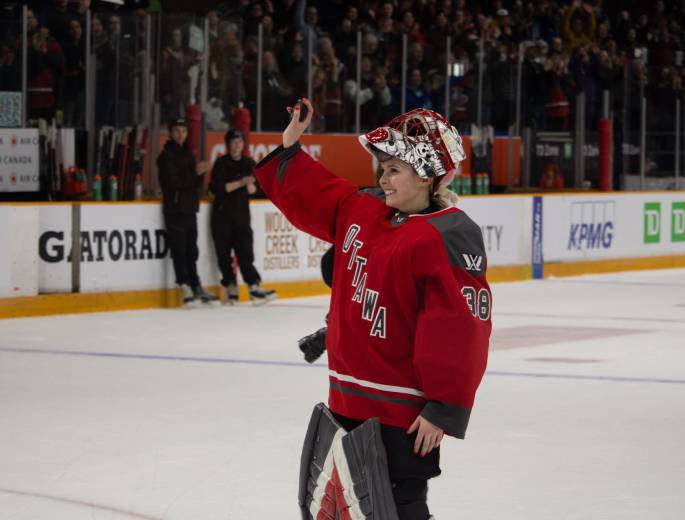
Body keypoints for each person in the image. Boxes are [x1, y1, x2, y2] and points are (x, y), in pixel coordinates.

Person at [254, 99, 492, 519]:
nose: (383, 178)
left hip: (403, 416)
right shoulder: (362, 210)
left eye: (394, 169)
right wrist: (291, 146)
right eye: (381, 168)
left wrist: (443, 407)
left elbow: (459, 330)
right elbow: (316, 196)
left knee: (401, 508)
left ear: (427, 176)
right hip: (346, 400)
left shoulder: (448, 234)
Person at [208, 128, 277, 305]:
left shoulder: (249, 164)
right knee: (223, 254)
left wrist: (250, 186)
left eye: (240, 142)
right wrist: (241, 182)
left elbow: (255, 191)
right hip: (222, 216)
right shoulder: (221, 164)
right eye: (234, 142)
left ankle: (253, 285)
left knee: (245, 252)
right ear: (228, 144)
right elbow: (218, 188)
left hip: (241, 216)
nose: (237, 145)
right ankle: (230, 284)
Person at [157, 118, 218, 307]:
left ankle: (195, 284)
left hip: (190, 208)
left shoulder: (188, 154)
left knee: (192, 250)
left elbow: (192, 183)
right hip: (175, 210)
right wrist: (196, 173)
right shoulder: (166, 156)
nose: (180, 135)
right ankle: (184, 285)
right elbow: (173, 183)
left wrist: (199, 176)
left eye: (183, 131)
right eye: (177, 131)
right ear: (171, 132)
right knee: (180, 250)